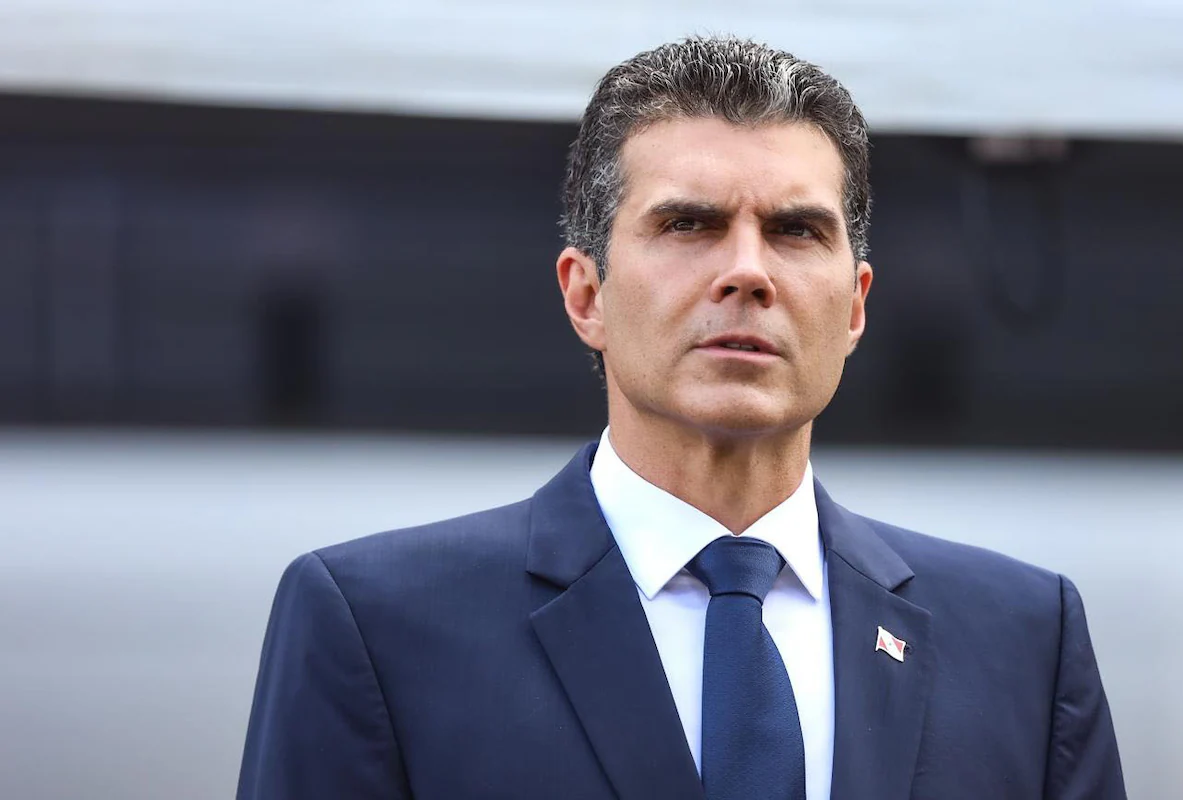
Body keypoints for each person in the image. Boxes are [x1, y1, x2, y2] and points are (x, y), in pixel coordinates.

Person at [236, 36, 1125, 799]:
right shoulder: (378, 627)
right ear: (586, 294)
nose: (748, 272)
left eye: (796, 230)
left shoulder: (1023, 639)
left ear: (856, 306)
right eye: (690, 224)